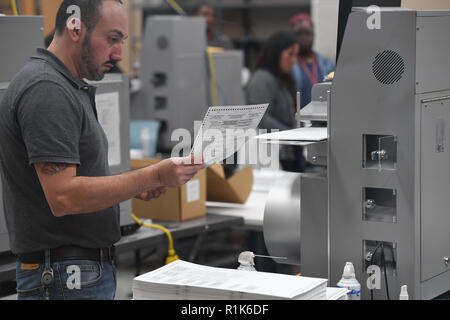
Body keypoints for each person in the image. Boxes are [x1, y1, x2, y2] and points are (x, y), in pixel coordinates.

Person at [0, 0, 204, 300]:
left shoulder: (66, 86)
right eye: (112, 39)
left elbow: (76, 182)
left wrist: (134, 185)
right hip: (63, 276)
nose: (119, 54)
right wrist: (151, 176)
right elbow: (63, 196)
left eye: (121, 41)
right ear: (75, 27)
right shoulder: (47, 89)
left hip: (74, 272)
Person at [246, 31, 306, 172]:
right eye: (290, 54)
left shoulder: (284, 78)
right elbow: (260, 117)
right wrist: (291, 134)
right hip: (272, 153)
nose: (294, 60)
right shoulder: (261, 79)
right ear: (276, 53)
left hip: (287, 147)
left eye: (296, 55)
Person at [289, 13, 335, 109]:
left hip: (324, 118)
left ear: (313, 34)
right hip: (298, 120)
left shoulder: (327, 64)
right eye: (298, 33)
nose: (303, 37)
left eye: (307, 33)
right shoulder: (288, 65)